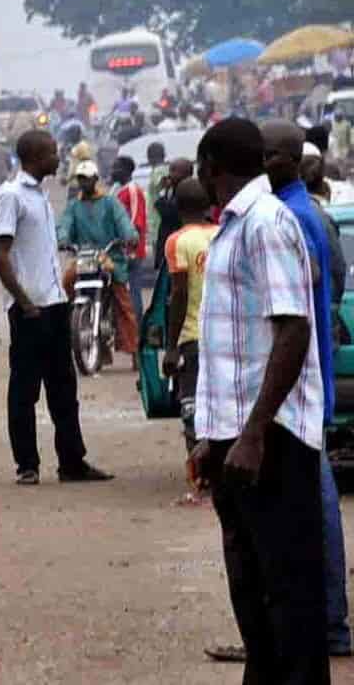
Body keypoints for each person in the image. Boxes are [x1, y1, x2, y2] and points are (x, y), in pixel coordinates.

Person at [186, 118, 328, 683]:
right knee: (251, 589)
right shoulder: (231, 228)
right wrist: (211, 436)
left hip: (272, 442)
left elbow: (292, 331)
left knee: (288, 591)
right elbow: (227, 345)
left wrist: (252, 433)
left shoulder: (267, 224)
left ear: (211, 168)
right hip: (234, 439)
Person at [260, 121, 351, 659]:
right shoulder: (306, 214)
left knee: (310, 509)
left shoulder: (291, 217)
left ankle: (325, 630)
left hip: (298, 380)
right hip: (307, 375)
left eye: (266, 154)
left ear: (287, 159)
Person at [0, 129, 113, 486]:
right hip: (31, 310)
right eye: (52, 153)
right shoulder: (11, 197)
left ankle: (72, 462)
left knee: (64, 390)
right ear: (35, 156)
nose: (58, 158)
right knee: (24, 391)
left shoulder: (41, 196)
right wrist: (25, 303)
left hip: (55, 303)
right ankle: (27, 464)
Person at [57, 161, 140, 361]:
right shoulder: (74, 206)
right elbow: (64, 226)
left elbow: (124, 223)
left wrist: (129, 236)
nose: (84, 183)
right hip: (84, 258)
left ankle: (135, 348)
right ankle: (65, 332)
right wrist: (62, 239)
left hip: (110, 258)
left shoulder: (110, 202)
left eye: (87, 179)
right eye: (80, 179)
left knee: (123, 300)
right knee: (66, 284)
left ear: (96, 179)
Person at [162, 178, 218, 452]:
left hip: (193, 337)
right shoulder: (224, 233)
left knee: (193, 409)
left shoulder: (177, 241)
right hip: (226, 336)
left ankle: (201, 479)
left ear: (177, 206)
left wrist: (171, 347)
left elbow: (179, 294)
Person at [110, 156, 150, 318]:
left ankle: (136, 327)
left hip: (130, 250)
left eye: (116, 168)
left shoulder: (133, 191)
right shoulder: (118, 190)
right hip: (119, 248)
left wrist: (129, 245)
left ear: (127, 170)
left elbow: (136, 220)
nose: (113, 171)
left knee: (133, 290)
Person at [152, 159, 195, 271]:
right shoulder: (171, 191)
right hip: (167, 243)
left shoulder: (189, 193)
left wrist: (163, 194)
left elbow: (167, 211)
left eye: (174, 171)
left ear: (186, 174)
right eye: (170, 170)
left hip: (180, 247)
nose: (169, 175)